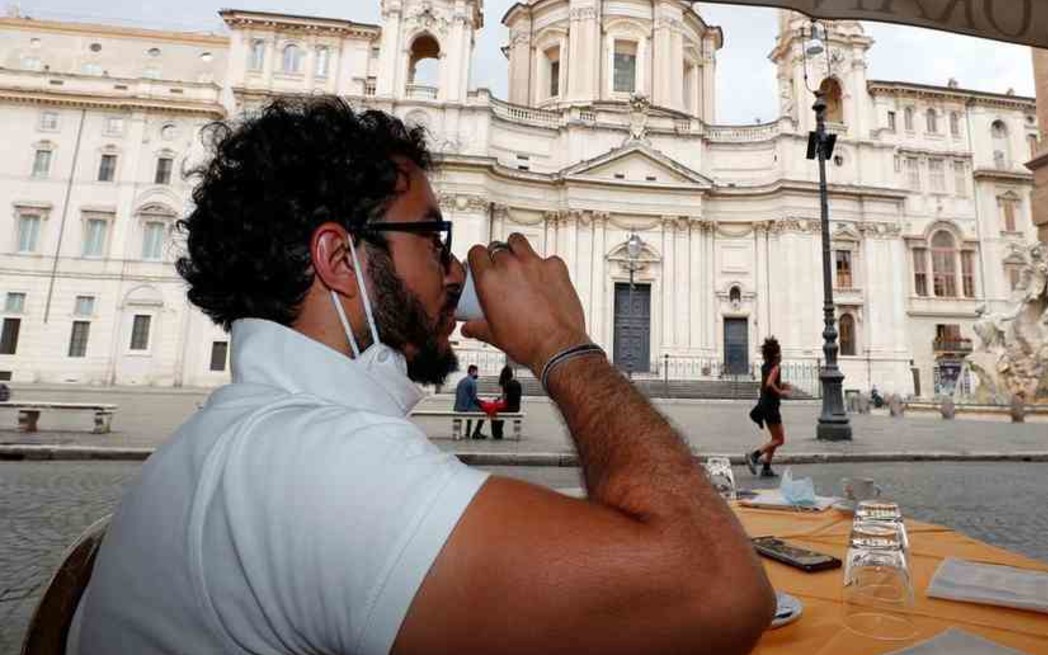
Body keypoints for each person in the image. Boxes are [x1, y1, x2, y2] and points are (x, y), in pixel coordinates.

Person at [68, 97, 773, 655]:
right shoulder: (318, 464)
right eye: (433, 239)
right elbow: (715, 588)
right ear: (339, 260)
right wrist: (562, 344)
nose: (457, 271)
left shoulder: (257, 435)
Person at [746, 337, 792, 478]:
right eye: (780, 352)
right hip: (771, 407)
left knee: (775, 438)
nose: (781, 355)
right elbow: (769, 384)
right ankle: (754, 455)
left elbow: (768, 383)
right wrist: (781, 392)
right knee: (779, 440)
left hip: (765, 405)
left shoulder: (765, 366)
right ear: (776, 354)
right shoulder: (776, 367)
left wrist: (781, 385)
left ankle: (766, 467)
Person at [454, 364, 487, 439]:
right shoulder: (472, 382)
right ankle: (477, 432)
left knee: (471, 409)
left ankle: (468, 432)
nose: (477, 374)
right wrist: (482, 403)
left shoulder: (462, 380)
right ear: (472, 372)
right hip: (466, 407)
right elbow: (474, 398)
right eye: (476, 372)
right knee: (483, 412)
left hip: (458, 406)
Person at [491, 365, 523, 440]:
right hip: (517, 408)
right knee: (501, 411)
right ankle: (503, 432)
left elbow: (504, 398)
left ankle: (497, 433)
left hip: (509, 408)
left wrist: (497, 400)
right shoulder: (517, 383)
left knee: (494, 411)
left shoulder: (506, 384)